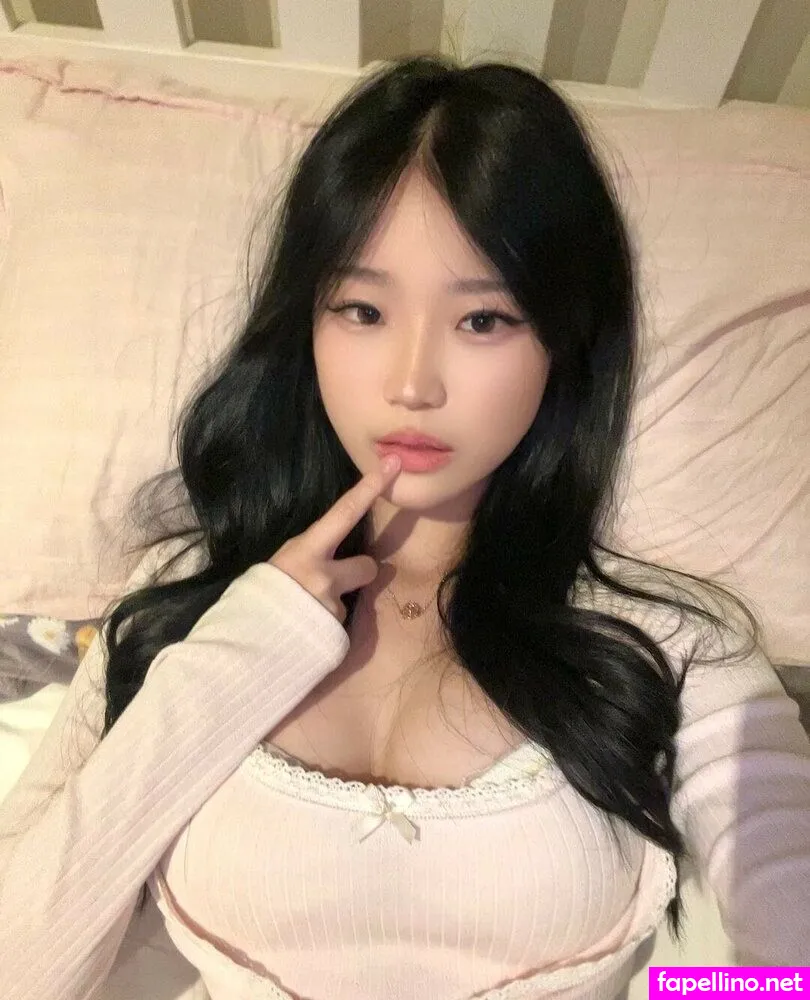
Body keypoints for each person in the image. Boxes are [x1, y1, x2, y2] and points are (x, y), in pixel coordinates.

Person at [1, 53, 809, 1000]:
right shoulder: (181, 609)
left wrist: (689, 994)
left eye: (484, 320)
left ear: (565, 341)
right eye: (363, 309)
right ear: (305, 324)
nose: (413, 383)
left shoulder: (676, 644)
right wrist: (238, 657)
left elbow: (790, 964)